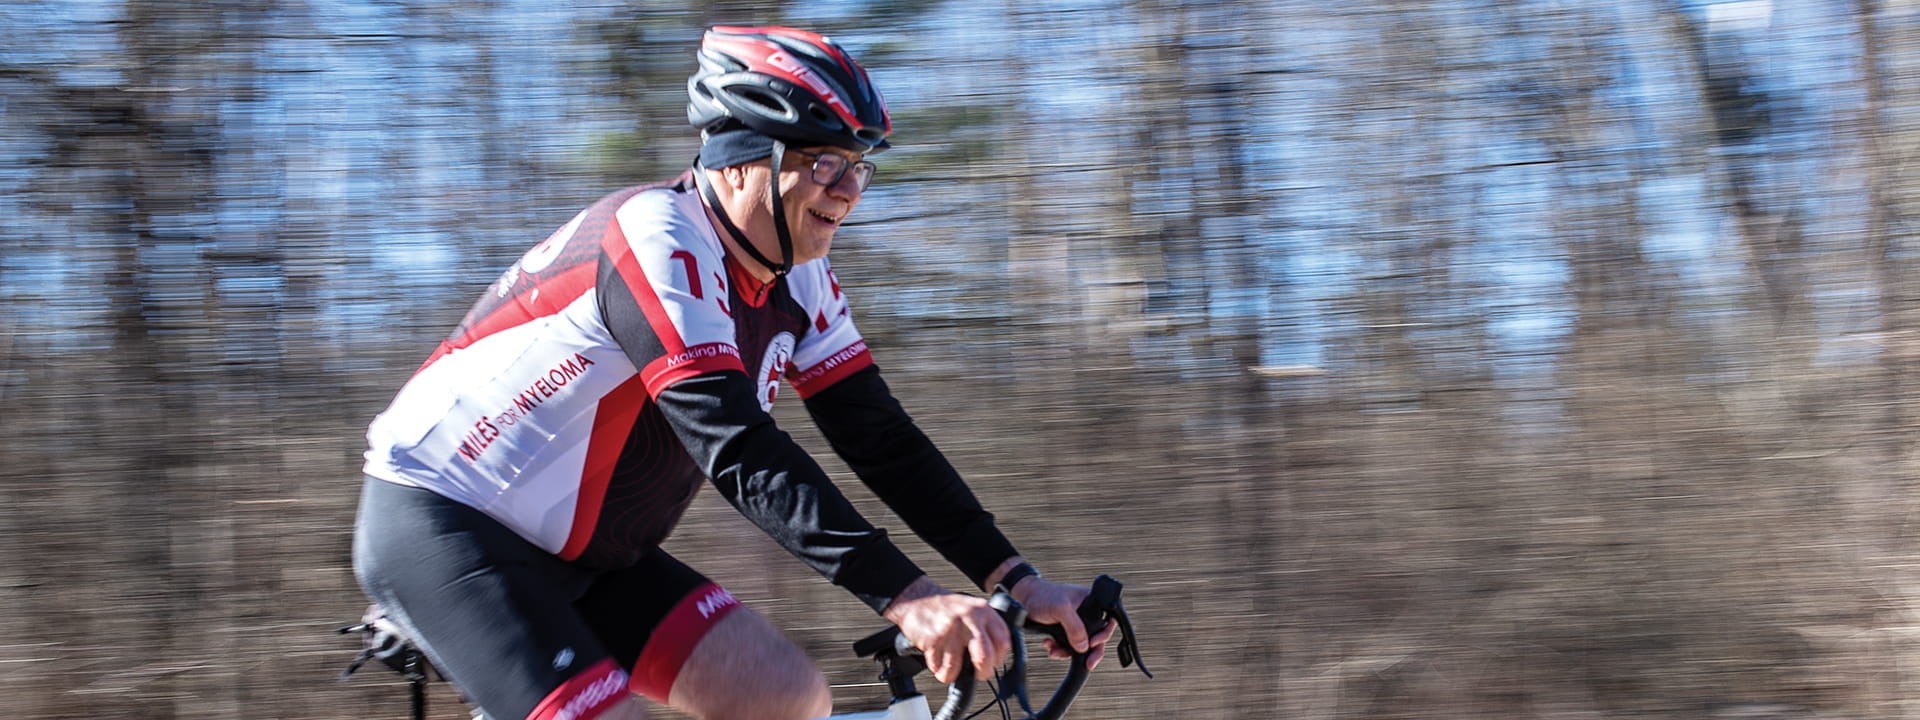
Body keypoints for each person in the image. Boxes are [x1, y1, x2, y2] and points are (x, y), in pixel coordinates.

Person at [352, 25, 1114, 720]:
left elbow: (880, 438)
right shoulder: (657, 239)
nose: (848, 192)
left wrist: (1014, 578)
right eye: (824, 164)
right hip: (451, 526)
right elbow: (739, 450)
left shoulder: (798, 276)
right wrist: (909, 598)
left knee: (785, 695)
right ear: (745, 161)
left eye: (858, 169)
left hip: (594, 557)